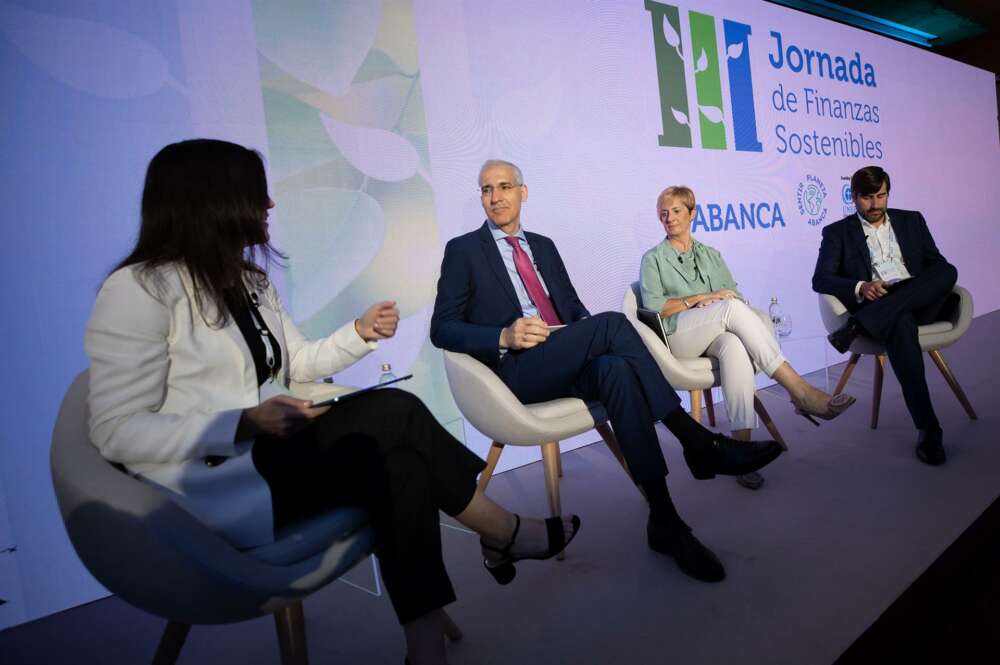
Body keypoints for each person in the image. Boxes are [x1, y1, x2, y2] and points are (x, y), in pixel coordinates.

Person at [85, 140, 580, 665]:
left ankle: (425, 649)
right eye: (258, 193)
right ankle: (501, 531)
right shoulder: (138, 290)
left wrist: (360, 333)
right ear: (214, 199)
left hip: (261, 461)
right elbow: (116, 432)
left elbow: (295, 363)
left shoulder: (249, 284)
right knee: (396, 412)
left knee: (403, 466)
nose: (269, 206)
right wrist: (242, 422)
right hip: (207, 489)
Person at [430, 159, 784, 584]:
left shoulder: (542, 245)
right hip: (518, 371)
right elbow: (442, 328)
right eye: (486, 189)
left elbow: (574, 308)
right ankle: (696, 441)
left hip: (563, 352)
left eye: (504, 186)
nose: (495, 197)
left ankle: (665, 521)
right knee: (615, 323)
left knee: (616, 367)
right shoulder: (463, 250)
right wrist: (504, 335)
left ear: (523, 193)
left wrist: (583, 334)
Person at [640, 186, 856, 490]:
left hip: (715, 332)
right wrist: (701, 299)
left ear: (692, 213)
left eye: (675, 211)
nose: (668, 218)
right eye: (663, 213)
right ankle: (800, 391)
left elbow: (734, 295)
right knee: (729, 308)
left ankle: (741, 450)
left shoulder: (711, 255)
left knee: (735, 346)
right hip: (678, 336)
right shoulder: (653, 259)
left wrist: (718, 301)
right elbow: (654, 309)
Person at [813, 166, 959, 466]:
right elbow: (821, 279)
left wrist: (909, 289)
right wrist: (861, 286)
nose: (876, 204)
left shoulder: (912, 220)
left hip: (917, 300)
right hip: (883, 304)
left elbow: (936, 264)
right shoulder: (837, 233)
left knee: (948, 271)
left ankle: (859, 325)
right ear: (853, 198)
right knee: (900, 323)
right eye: (868, 198)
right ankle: (929, 430)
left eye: (881, 196)